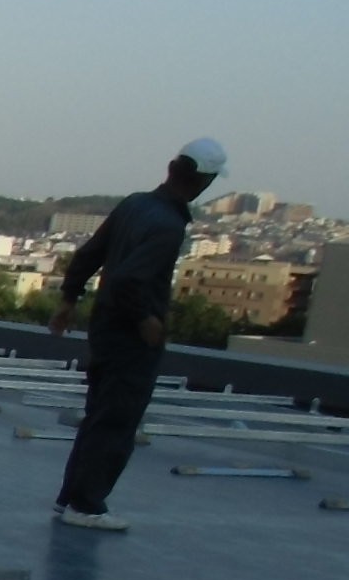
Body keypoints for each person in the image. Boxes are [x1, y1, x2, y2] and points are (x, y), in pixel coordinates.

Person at [44, 139, 227, 530]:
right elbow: (129, 280)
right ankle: (86, 505)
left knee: (99, 416)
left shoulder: (135, 205)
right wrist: (146, 318)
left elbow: (90, 254)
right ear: (204, 181)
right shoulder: (168, 226)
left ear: (172, 167)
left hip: (105, 329)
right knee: (117, 421)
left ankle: (71, 497)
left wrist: (68, 299)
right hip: (130, 337)